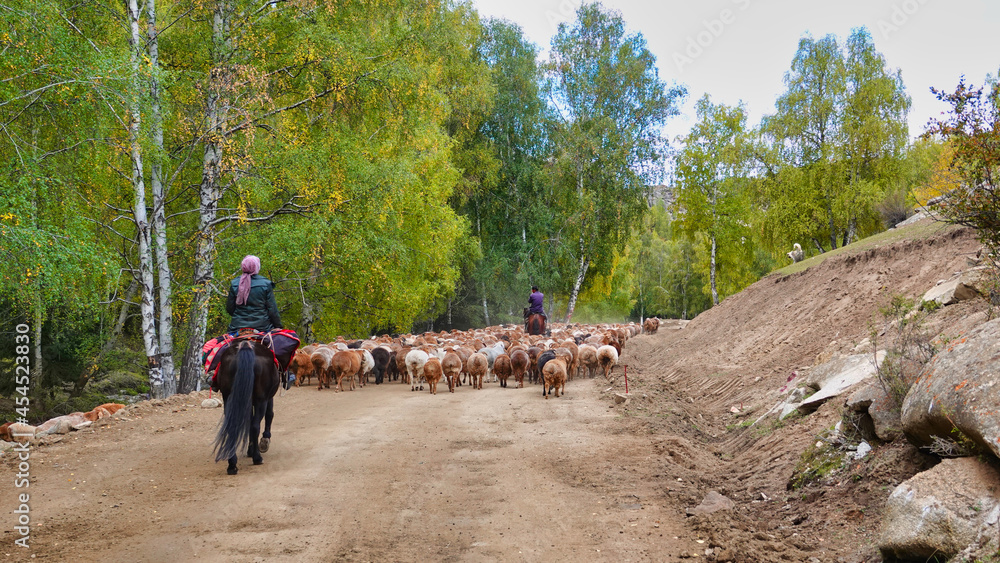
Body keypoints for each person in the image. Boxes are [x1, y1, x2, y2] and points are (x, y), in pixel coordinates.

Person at [226, 255, 282, 333]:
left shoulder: (234, 283)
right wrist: (278, 326)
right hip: (263, 327)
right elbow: (272, 310)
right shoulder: (266, 284)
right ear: (257, 267)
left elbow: (230, 308)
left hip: (237, 327)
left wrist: (240, 318)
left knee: (222, 343)